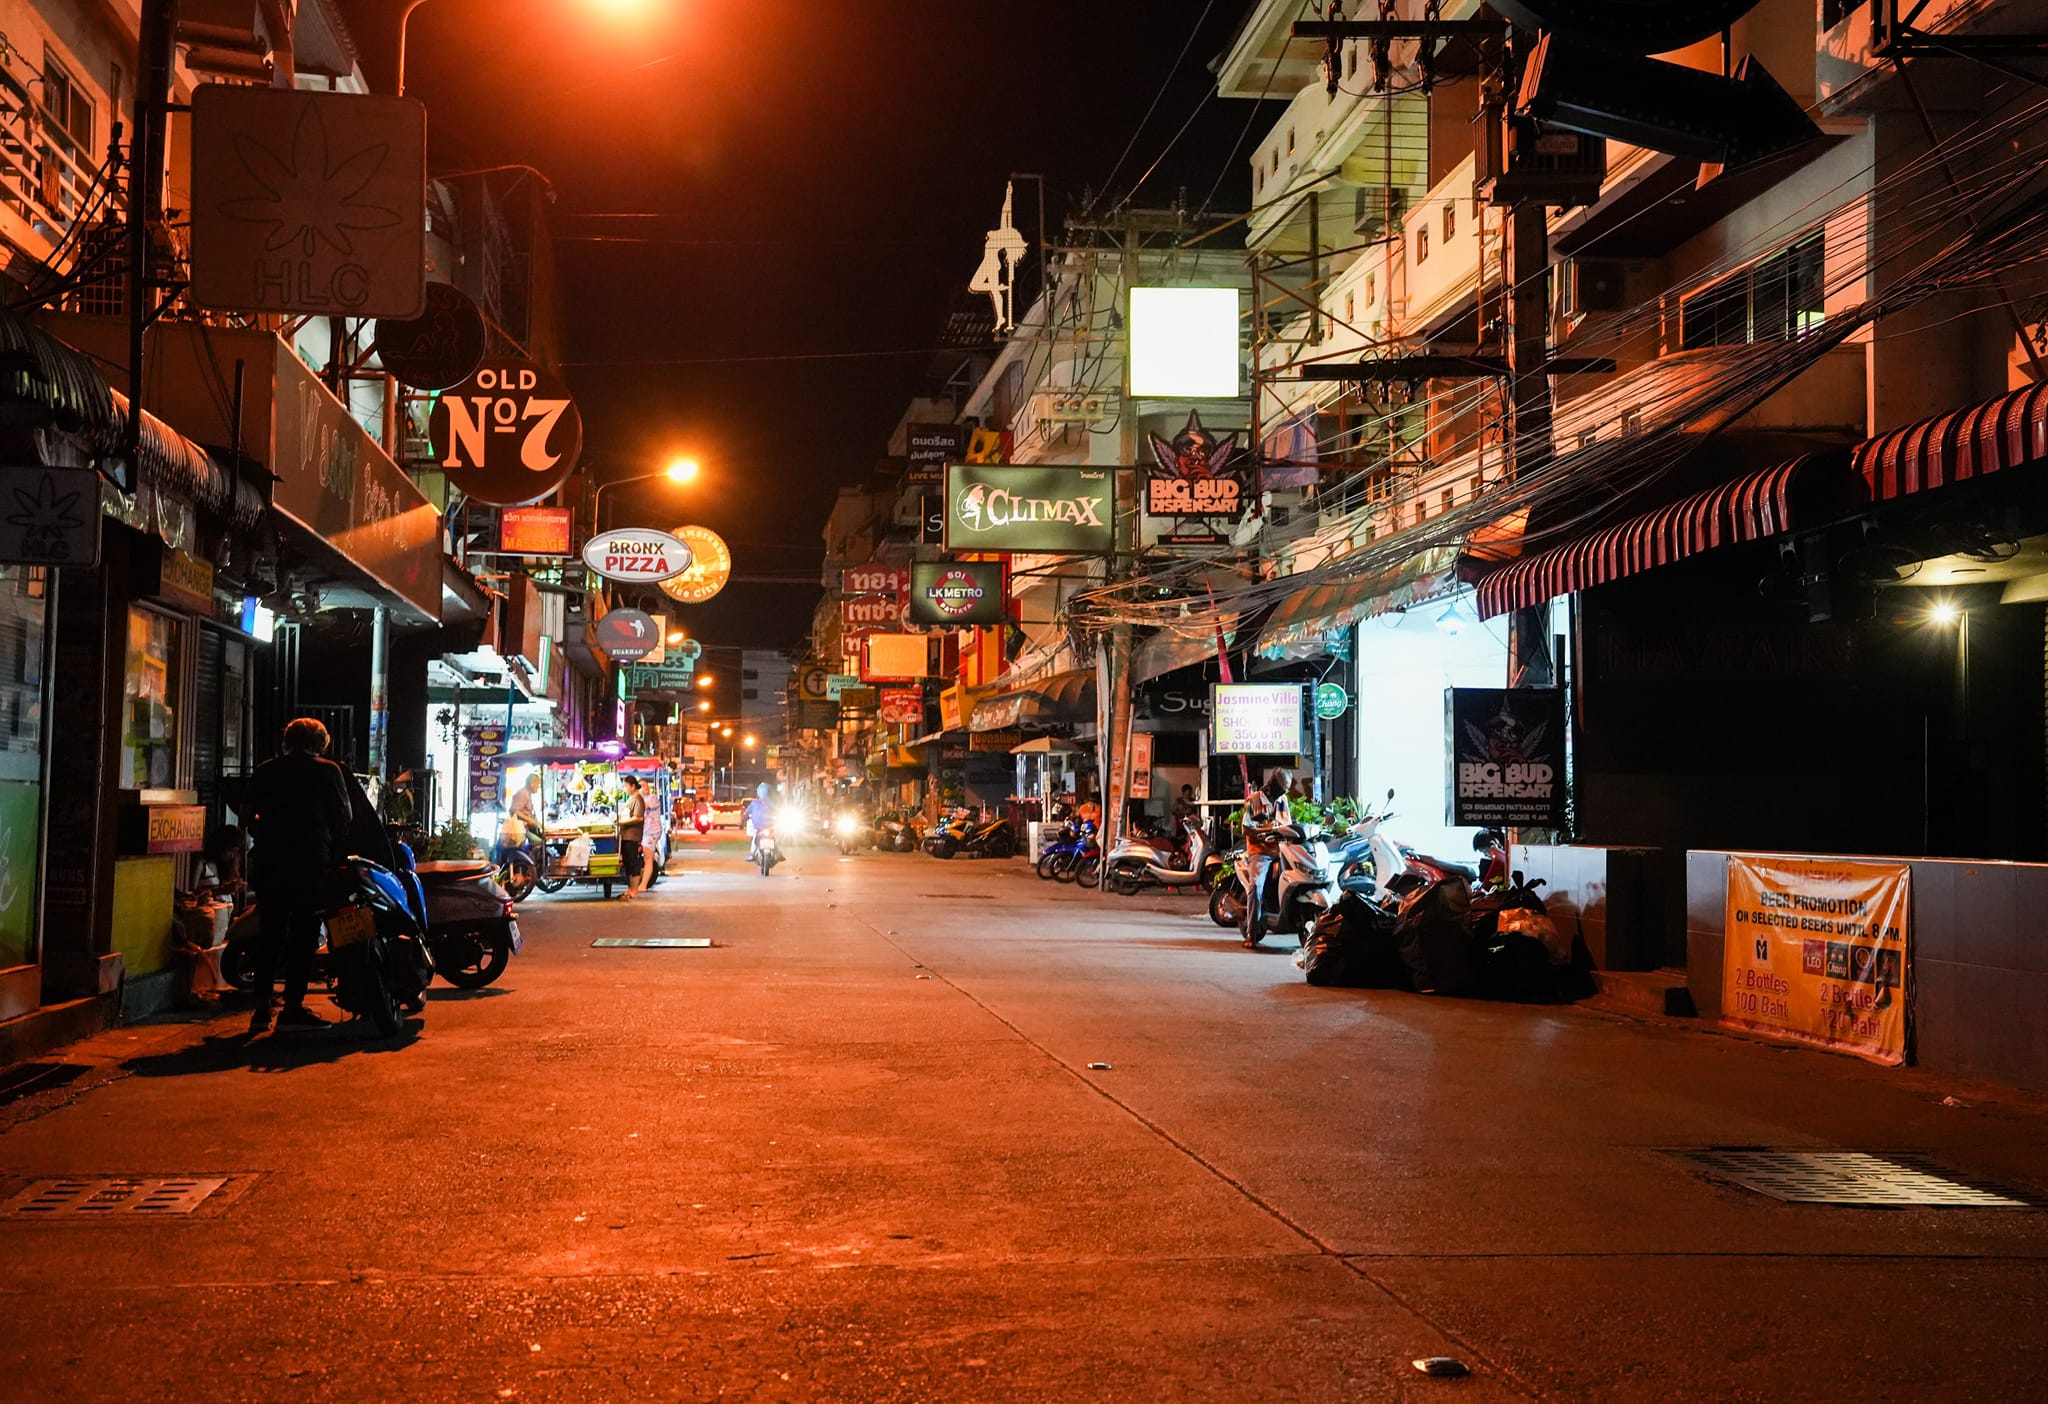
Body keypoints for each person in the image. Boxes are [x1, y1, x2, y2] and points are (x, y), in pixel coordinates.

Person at [246, 717, 353, 1033]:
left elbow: (247, 815)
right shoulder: (327, 771)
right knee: (304, 935)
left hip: (270, 863)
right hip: (310, 863)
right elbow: (344, 816)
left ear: (287, 741)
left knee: (271, 933)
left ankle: (262, 1007)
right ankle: (292, 1007)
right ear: (319, 743)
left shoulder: (266, 770)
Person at [1241, 768, 1292, 943]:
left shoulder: (1283, 800)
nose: (1285, 791)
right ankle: (1252, 932)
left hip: (1282, 851)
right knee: (1256, 887)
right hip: (1260, 853)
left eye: (1287, 789)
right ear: (1272, 785)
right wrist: (1264, 832)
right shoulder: (1254, 800)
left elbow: (1288, 824)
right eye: (1282, 787)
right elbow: (1246, 828)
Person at [617, 774, 649, 899]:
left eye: (626, 786)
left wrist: (623, 822)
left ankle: (635, 889)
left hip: (632, 836)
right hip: (626, 835)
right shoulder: (631, 798)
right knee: (628, 863)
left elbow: (639, 817)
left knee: (633, 862)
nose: (624, 788)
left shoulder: (638, 799)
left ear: (633, 786)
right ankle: (630, 888)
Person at [744, 781, 774, 860]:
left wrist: (745, 818)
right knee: (774, 837)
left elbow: (747, 813)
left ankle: (752, 854)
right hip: (769, 827)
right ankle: (777, 853)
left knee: (754, 838)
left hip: (759, 827)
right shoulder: (772, 803)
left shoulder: (754, 803)